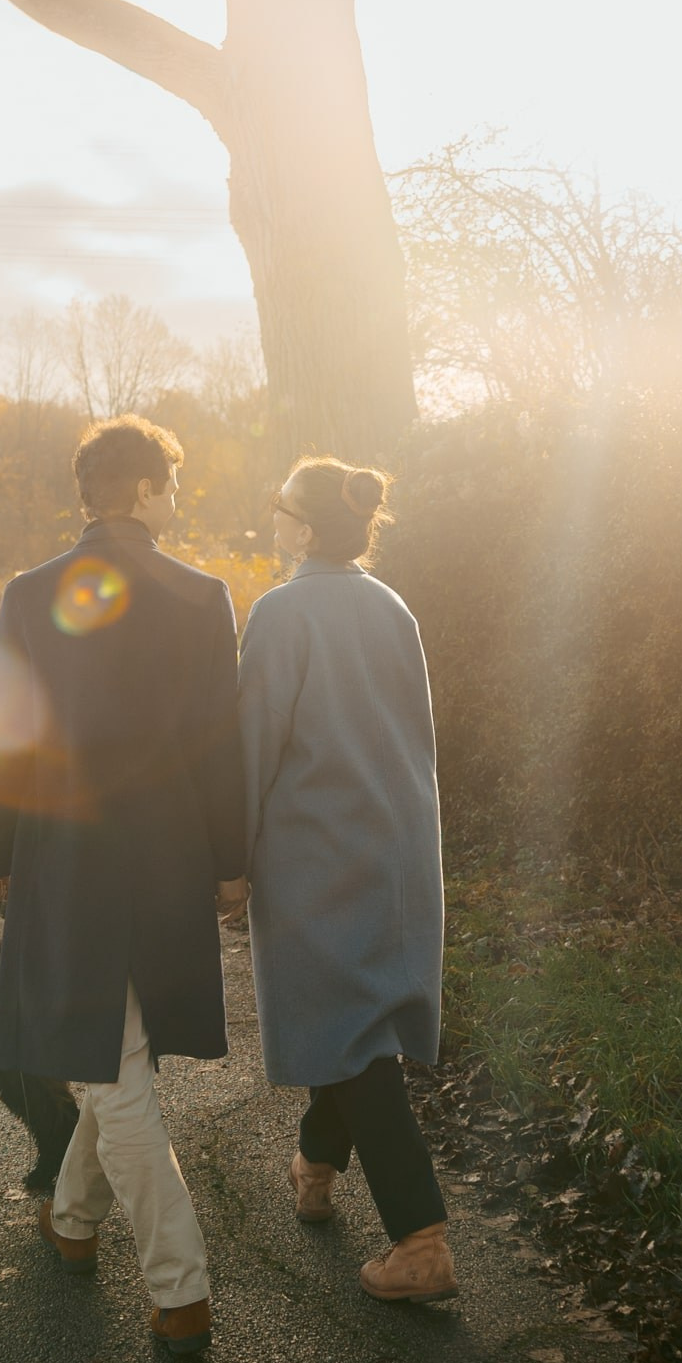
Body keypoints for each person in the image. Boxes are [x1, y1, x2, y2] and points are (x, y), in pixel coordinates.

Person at [0, 416, 247, 1357]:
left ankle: (177, 1283)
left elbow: (4, 735)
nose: (176, 500)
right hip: (165, 860)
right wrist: (229, 860)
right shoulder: (204, 595)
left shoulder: (30, 591)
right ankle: (86, 1229)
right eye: (171, 484)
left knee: (110, 1065)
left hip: (68, 862)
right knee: (115, 1059)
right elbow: (223, 743)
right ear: (138, 491)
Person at [239, 456, 455, 1303]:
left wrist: (229, 862)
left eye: (279, 508)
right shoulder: (391, 605)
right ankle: (315, 1163)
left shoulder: (281, 612)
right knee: (356, 1013)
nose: (273, 521)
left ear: (302, 526)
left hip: (316, 852)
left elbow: (251, 747)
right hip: (398, 845)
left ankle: (421, 1238)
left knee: (355, 1032)